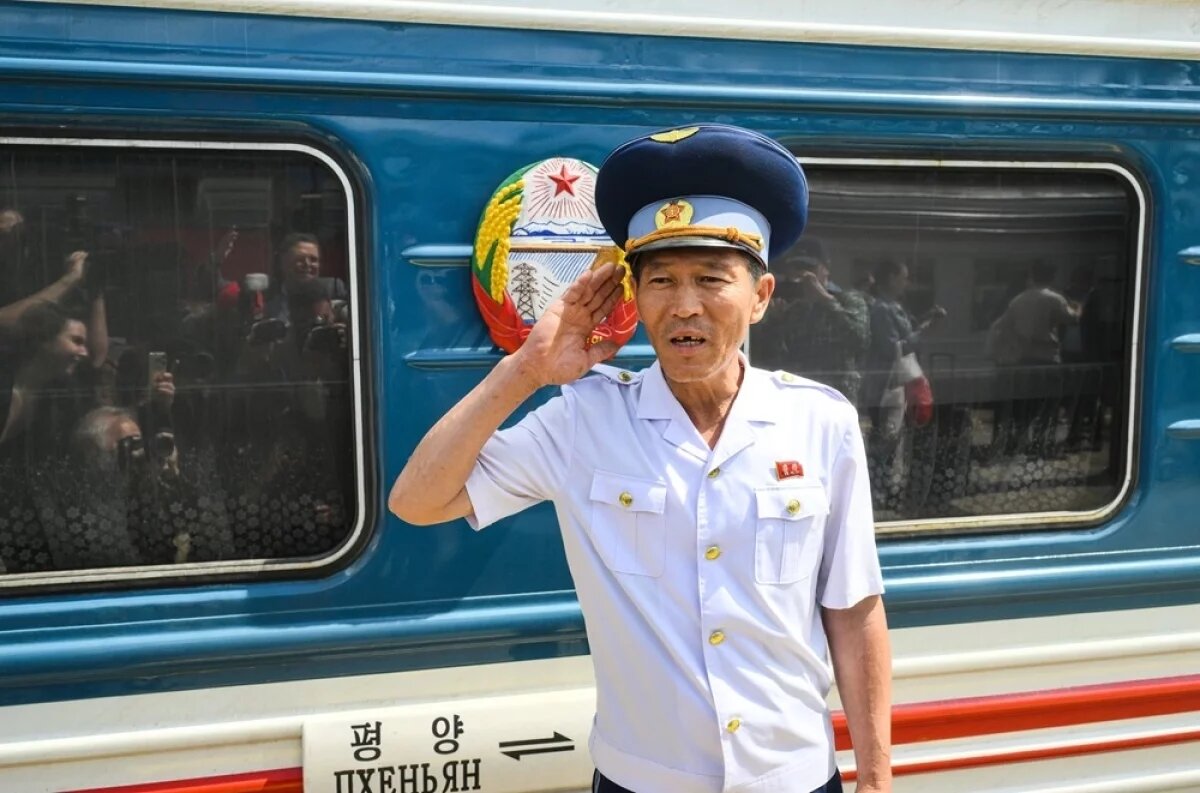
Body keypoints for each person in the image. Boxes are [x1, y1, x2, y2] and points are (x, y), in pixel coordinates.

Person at [390, 125, 891, 793]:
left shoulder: (820, 423)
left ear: (761, 297)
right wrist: (525, 371)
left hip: (795, 779)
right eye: (661, 280)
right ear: (636, 298)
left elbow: (854, 610)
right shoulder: (584, 419)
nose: (685, 304)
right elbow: (416, 500)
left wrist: (878, 778)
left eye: (712, 278)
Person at [774, 238, 870, 405]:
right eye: (797, 268)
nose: (803, 274)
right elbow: (774, 354)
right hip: (798, 394)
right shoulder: (796, 308)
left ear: (826, 269)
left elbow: (859, 338)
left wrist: (824, 299)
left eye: (810, 268)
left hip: (836, 395)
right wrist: (775, 320)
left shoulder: (848, 300)